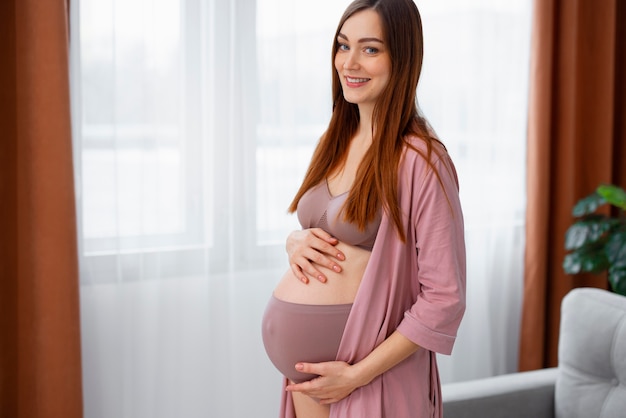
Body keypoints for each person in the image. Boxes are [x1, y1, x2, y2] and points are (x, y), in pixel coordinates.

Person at [261, 0, 466, 416]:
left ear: (402, 57)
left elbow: (444, 298)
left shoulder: (421, 160)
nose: (349, 62)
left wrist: (356, 375)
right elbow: (329, 232)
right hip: (306, 379)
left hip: (367, 374)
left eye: (370, 49)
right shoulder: (334, 141)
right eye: (342, 45)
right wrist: (294, 242)